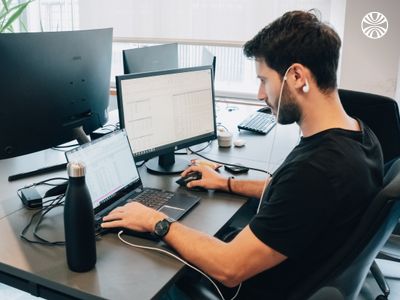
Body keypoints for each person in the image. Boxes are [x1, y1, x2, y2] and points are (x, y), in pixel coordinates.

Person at [102, 10, 384, 299]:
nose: (261, 94)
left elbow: (229, 267)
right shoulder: (360, 134)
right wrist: (226, 183)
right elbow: (293, 195)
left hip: (246, 286)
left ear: (297, 76)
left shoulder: (317, 171)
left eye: (264, 80)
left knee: (141, 276)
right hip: (287, 266)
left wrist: (155, 221)